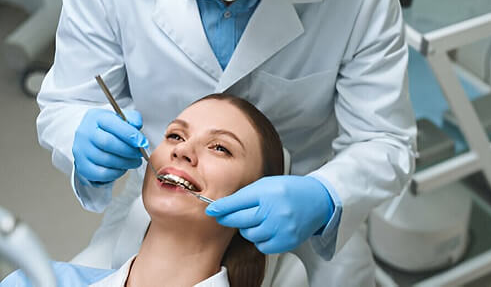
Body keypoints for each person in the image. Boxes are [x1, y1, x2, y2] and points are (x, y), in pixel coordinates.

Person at [37, 0, 417, 285]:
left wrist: (325, 196)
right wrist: (82, 135)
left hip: (302, 233)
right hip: (160, 213)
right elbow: (71, 101)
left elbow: (385, 140)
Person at [3, 94, 306, 286]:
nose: (183, 149)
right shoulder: (35, 282)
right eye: (175, 135)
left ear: (254, 204)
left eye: (220, 148)